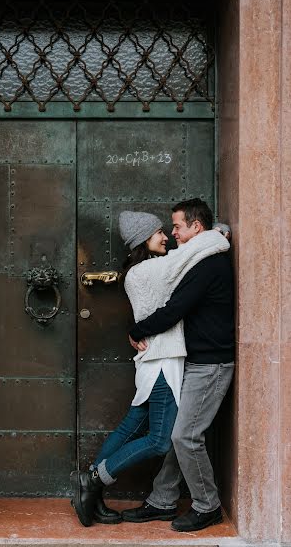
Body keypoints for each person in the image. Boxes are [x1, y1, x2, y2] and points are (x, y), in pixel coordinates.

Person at [71, 209, 230, 527]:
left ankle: (91, 489)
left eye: (169, 229)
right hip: (161, 363)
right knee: (160, 440)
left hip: (156, 361)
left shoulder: (142, 271)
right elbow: (190, 252)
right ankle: (95, 480)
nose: (167, 237)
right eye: (160, 232)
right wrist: (218, 233)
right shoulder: (151, 270)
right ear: (145, 239)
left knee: (131, 426)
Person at [121, 198, 235, 532]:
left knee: (185, 436)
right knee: (176, 434)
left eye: (177, 227)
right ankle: (162, 500)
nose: (173, 235)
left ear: (196, 227)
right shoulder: (199, 256)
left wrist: (137, 330)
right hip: (198, 362)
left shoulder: (208, 264)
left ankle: (207, 505)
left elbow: (176, 308)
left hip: (212, 365)